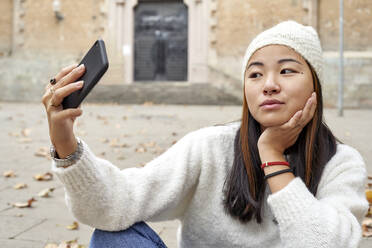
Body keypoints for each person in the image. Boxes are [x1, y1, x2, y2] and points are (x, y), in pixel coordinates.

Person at [41, 20, 369, 248]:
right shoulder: (210, 148)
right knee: (113, 238)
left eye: (287, 70)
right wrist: (65, 141)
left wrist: (272, 156)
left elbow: (325, 243)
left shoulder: (341, 164)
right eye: (255, 74)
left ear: (316, 86)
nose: (269, 84)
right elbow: (115, 202)